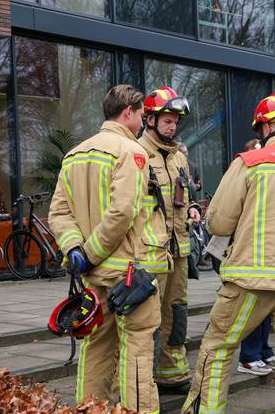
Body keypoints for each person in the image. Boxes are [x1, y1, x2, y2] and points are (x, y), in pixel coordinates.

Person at [182, 93, 275, 413]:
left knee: (218, 349)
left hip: (249, 280)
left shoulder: (249, 163)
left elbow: (220, 221)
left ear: (265, 127)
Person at [49, 84, 166, 413]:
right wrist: (90, 253)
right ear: (128, 111)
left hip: (92, 277)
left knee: (95, 350)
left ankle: (90, 409)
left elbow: (58, 212)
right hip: (128, 276)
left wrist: (75, 249)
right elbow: (123, 212)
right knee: (138, 353)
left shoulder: (74, 155)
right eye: (142, 114)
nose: (144, 121)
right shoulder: (132, 152)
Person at [139, 86, 195, 394]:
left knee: (177, 313)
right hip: (150, 254)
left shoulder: (179, 160)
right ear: (149, 120)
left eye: (175, 121)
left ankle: (172, 373)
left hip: (180, 251)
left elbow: (185, 200)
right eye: (167, 121)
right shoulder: (137, 156)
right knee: (148, 319)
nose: (173, 126)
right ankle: (143, 379)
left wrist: (194, 210)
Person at [237, 138, 275, 377]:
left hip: (267, 250)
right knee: (253, 308)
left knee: (265, 311)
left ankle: (263, 350)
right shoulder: (242, 174)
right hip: (250, 252)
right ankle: (249, 356)